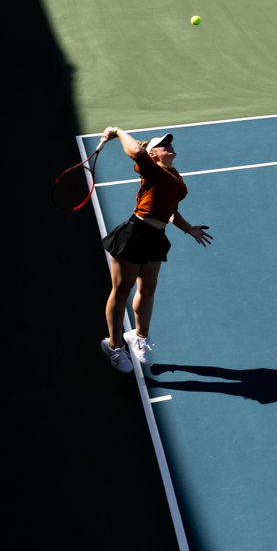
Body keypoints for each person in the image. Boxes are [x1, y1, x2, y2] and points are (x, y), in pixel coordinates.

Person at [96, 128, 213, 374]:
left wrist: (188, 228)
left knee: (148, 289)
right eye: (163, 145)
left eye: (169, 143)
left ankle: (138, 336)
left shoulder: (174, 175)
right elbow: (136, 151)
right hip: (134, 235)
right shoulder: (150, 168)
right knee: (121, 292)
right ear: (152, 155)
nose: (169, 145)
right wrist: (117, 131)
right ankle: (114, 347)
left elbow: (169, 209)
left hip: (155, 236)